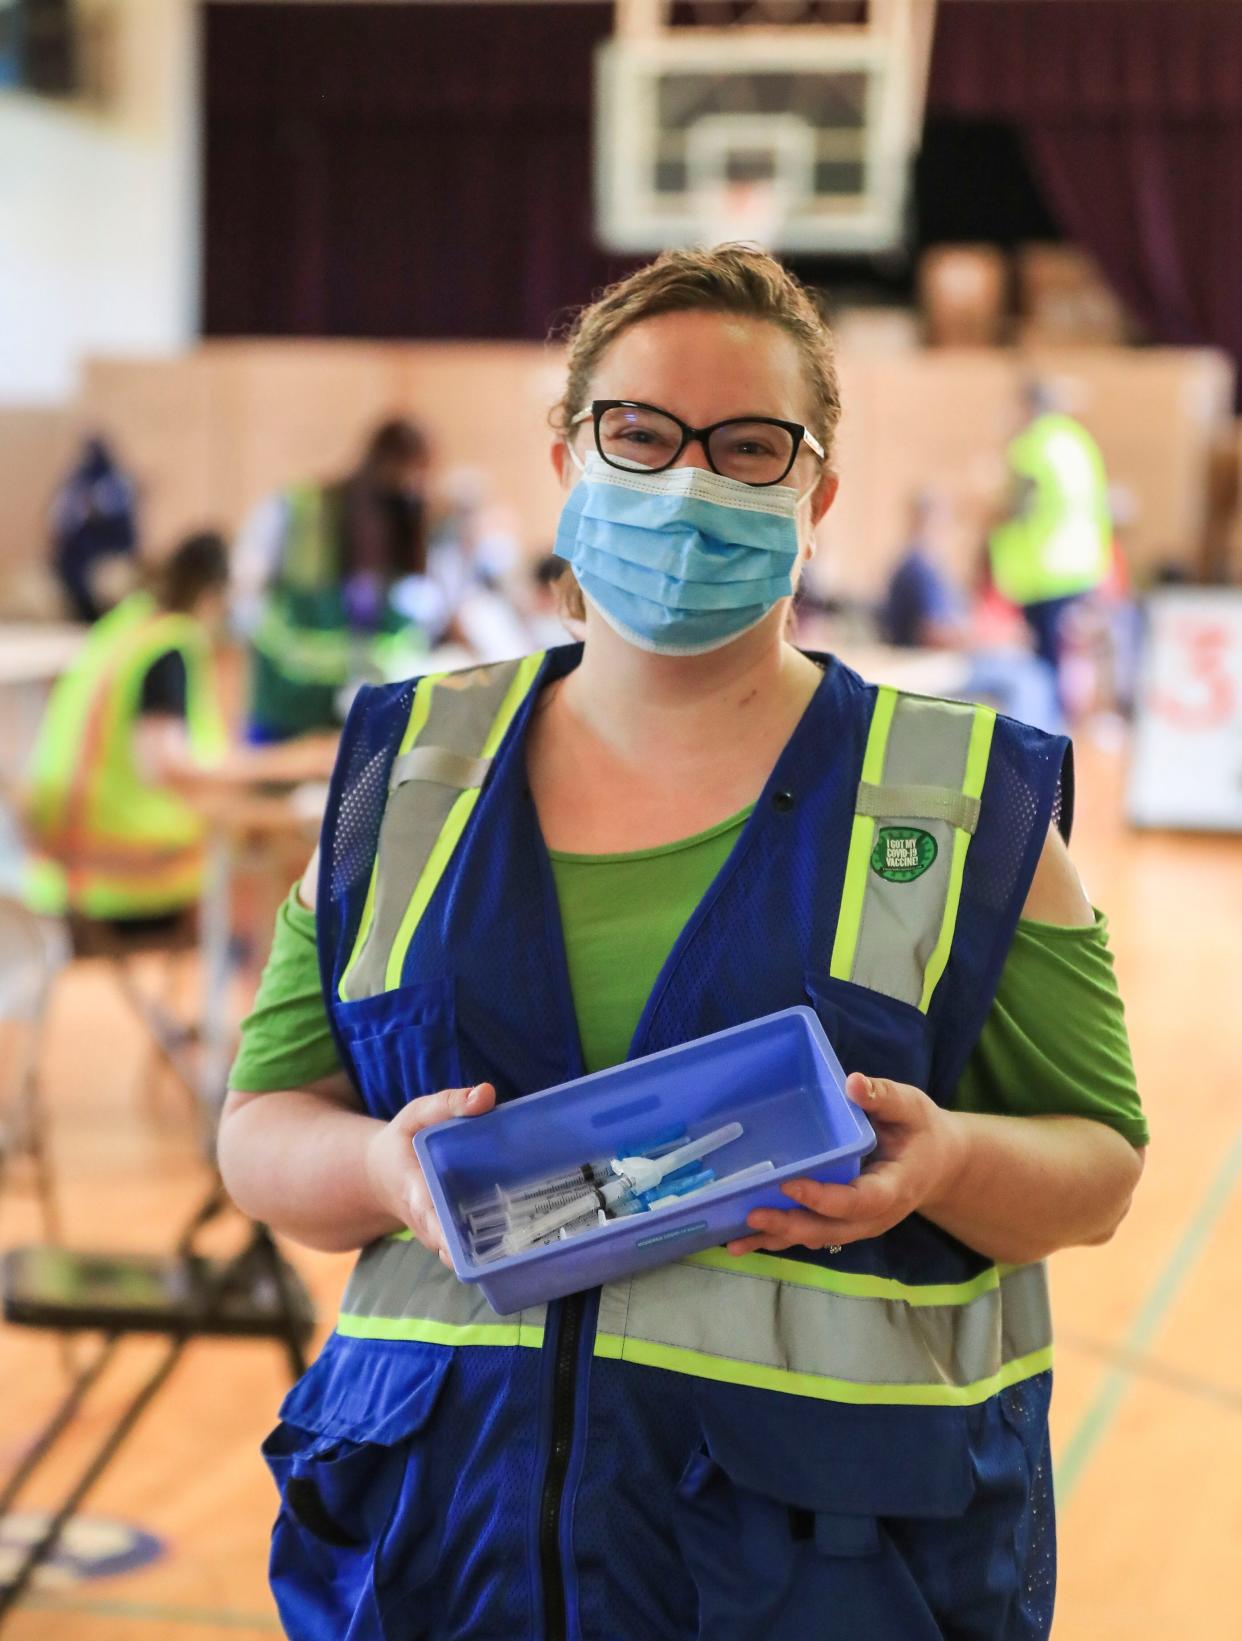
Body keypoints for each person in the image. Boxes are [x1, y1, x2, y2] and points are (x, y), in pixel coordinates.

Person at [218, 247, 1147, 1641]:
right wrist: (373, 1166)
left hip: (825, 1574)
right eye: (641, 433)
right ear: (566, 453)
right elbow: (259, 1126)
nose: (689, 484)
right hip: (435, 1556)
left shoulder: (951, 803)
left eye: (749, 446)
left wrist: (947, 1162)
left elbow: (1099, 1165)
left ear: (815, 492)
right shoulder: (407, 781)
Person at [24, 533, 336, 932]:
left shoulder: (126, 626)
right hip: (119, 867)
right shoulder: (169, 647)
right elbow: (169, 766)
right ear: (214, 595)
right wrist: (293, 762)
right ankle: (251, 988)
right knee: (282, 870)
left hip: (61, 857)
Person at [232, 418, 436, 743]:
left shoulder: (406, 522)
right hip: (287, 706)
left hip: (359, 713)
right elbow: (245, 591)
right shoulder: (299, 508)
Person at [988, 380, 1112, 675]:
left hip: (1043, 572)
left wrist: (988, 513)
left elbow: (1018, 504)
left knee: (1045, 663)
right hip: (1083, 566)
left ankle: (1048, 718)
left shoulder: (1032, 444)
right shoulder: (1076, 439)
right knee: (1071, 656)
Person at [48, 435, 139, 623]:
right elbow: (62, 520)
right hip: (81, 550)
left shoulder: (112, 483)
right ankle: (87, 615)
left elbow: (111, 515)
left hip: (110, 546)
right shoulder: (79, 482)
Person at [880, 489, 968, 649]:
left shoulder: (930, 566)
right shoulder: (917, 570)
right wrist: (980, 639)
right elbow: (932, 634)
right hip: (921, 662)